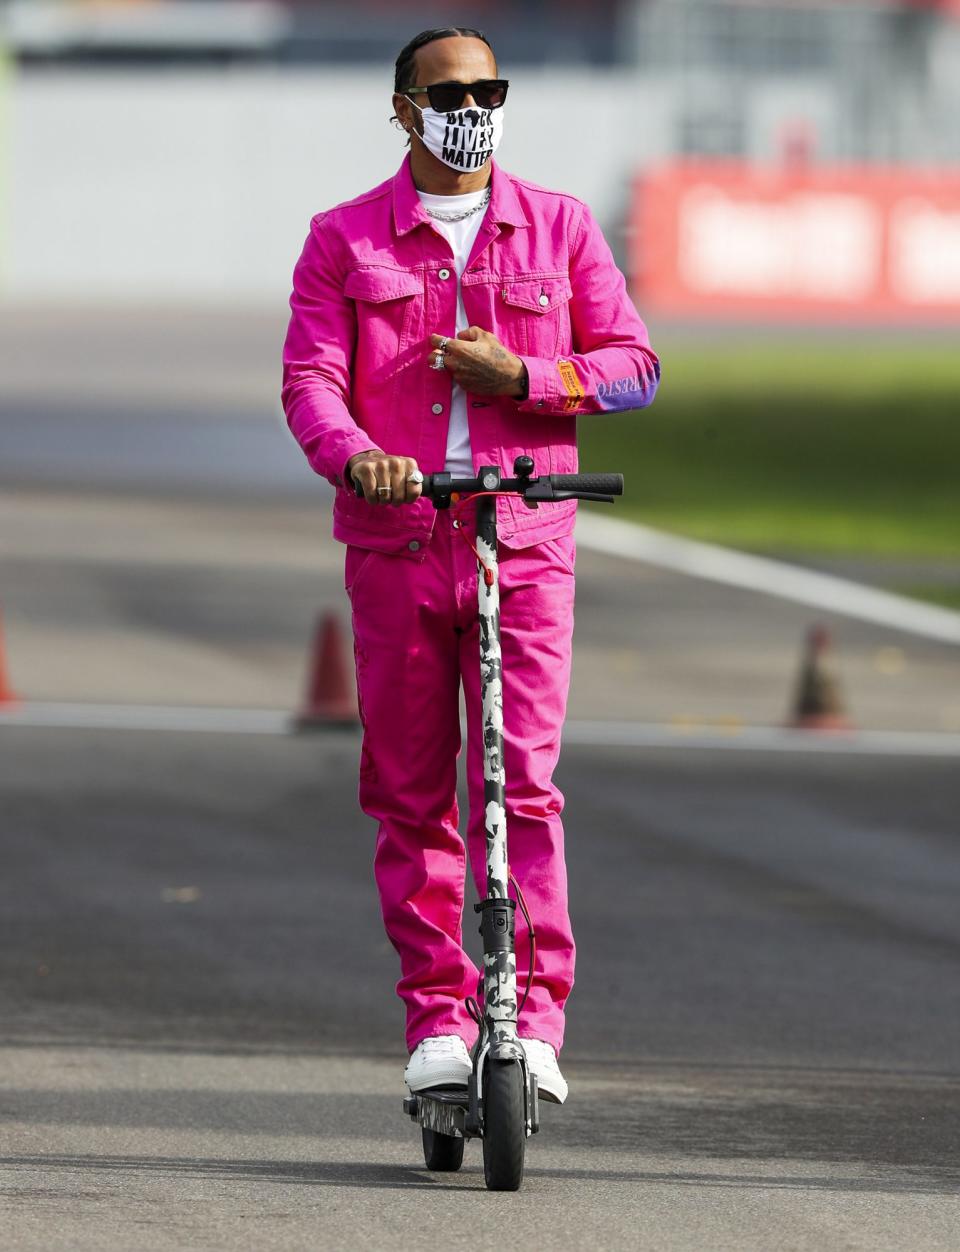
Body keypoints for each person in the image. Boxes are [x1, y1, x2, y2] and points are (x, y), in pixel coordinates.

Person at [282, 27, 659, 1105]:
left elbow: (636, 368)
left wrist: (531, 374)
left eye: (490, 88)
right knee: (408, 795)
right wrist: (360, 460)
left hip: (524, 542)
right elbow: (310, 380)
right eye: (450, 91)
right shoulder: (342, 239)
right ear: (403, 108)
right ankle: (438, 1017)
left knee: (522, 786)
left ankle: (533, 1023)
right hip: (398, 546)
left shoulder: (562, 226)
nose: (473, 106)